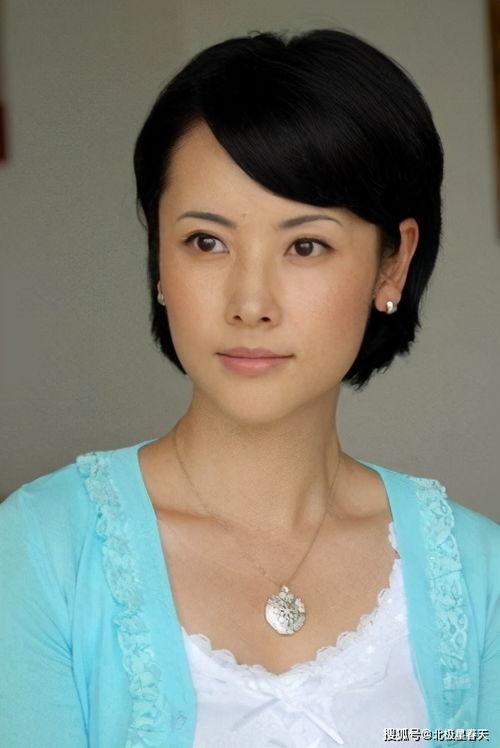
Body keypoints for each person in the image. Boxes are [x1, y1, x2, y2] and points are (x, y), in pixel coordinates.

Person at [0, 27, 499, 748]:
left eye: (306, 245)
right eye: (206, 242)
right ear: (160, 260)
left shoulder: (480, 574)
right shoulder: (40, 551)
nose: (250, 302)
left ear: (392, 265)